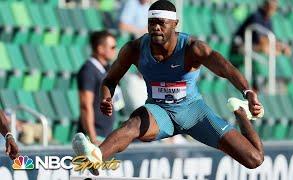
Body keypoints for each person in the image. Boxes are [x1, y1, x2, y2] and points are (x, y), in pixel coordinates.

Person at [72, 0, 264, 175]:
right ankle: (96, 157)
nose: (156, 28)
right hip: (159, 112)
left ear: (175, 24)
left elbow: (226, 69)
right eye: (151, 23)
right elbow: (110, 79)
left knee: (254, 159)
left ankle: (239, 111)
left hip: (193, 112)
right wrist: (107, 97)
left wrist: (247, 92)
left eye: (161, 23)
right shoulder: (134, 49)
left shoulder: (193, 48)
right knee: (133, 124)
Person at [77, 31, 119, 145]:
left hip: (105, 135)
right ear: (100, 49)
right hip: (94, 138)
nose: (115, 50)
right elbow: (85, 105)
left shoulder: (105, 69)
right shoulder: (88, 70)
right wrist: (93, 138)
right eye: (112, 47)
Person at [230, 0, 291, 65]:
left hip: (253, 47)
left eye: (275, 8)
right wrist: (275, 47)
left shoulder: (268, 20)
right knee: (267, 49)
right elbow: (262, 41)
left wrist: (282, 47)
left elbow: (271, 39)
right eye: (272, 7)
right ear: (265, 6)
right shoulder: (256, 16)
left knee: (273, 49)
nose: (273, 10)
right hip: (240, 46)